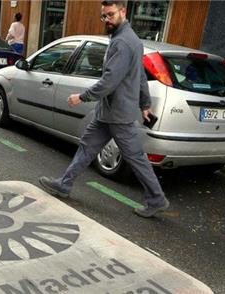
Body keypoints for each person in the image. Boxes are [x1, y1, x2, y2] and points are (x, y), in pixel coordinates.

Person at [38, 1, 170, 218]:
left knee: (135, 156)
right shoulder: (129, 40)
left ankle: (156, 198)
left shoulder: (123, 43)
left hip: (118, 115)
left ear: (123, 12)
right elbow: (140, 77)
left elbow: (110, 81)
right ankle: (64, 184)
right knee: (87, 147)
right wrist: (145, 104)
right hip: (108, 112)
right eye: (104, 16)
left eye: (110, 15)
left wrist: (81, 97)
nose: (107, 20)